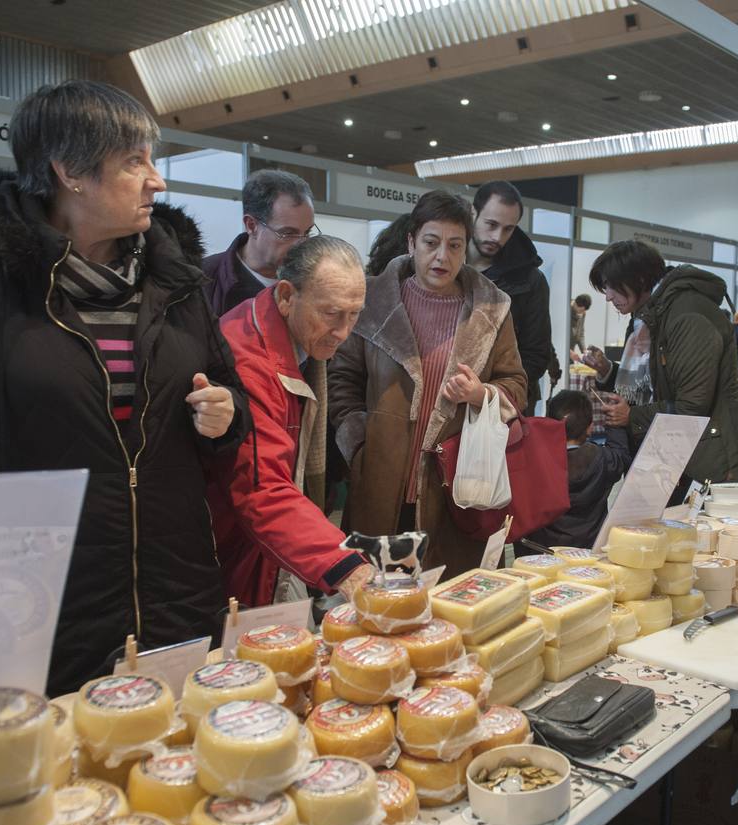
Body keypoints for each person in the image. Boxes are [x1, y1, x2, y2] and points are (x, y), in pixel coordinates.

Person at [0, 80, 250, 696]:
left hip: (174, 585)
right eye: (134, 162)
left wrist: (225, 415)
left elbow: (224, 389)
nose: (156, 180)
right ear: (70, 173)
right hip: (39, 595)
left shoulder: (176, 276)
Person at [329, 190, 527, 572]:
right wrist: (359, 447)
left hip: (455, 487)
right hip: (380, 483)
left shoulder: (492, 309)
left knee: (451, 607)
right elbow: (342, 379)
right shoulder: (373, 302)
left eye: (455, 246)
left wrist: (480, 393)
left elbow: (516, 383)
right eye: (431, 243)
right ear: (412, 241)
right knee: (377, 605)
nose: (442, 257)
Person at [206, 235, 373, 607]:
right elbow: (261, 488)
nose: (344, 332)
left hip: (272, 541)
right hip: (233, 548)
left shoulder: (299, 338)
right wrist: (346, 567)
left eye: (355, 314)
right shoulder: (247, 356)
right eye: (331, 314)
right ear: (285, 295)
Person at [582, 240, 738, 501]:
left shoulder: (687, 316)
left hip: (702, 457)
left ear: (638, 279)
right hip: (665, 451)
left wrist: (632, 416)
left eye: (612, 286)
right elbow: (655, 384)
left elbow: (692, 405)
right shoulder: (648, 315)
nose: (608, 296)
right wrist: (608, 370)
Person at [467, 181, 550, 416]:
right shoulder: (448, 267)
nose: (497, 236)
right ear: (473, 212)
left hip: (502, 409)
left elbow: (536, 355)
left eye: (508, 229)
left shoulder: (531, 281)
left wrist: (491, 393)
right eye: (491, 224)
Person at [525, 390, 632, 550]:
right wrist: (614, 422)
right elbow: (621, 455)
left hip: (540, 552)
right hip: (589, 552)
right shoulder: (603, 460)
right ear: (590, 428)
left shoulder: (533, 460)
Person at [203, 169, 318, 318]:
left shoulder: (315, 281)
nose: (301, 245)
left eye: (307, 233)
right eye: (288, 233)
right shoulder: (203, 282)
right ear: (251, 225)